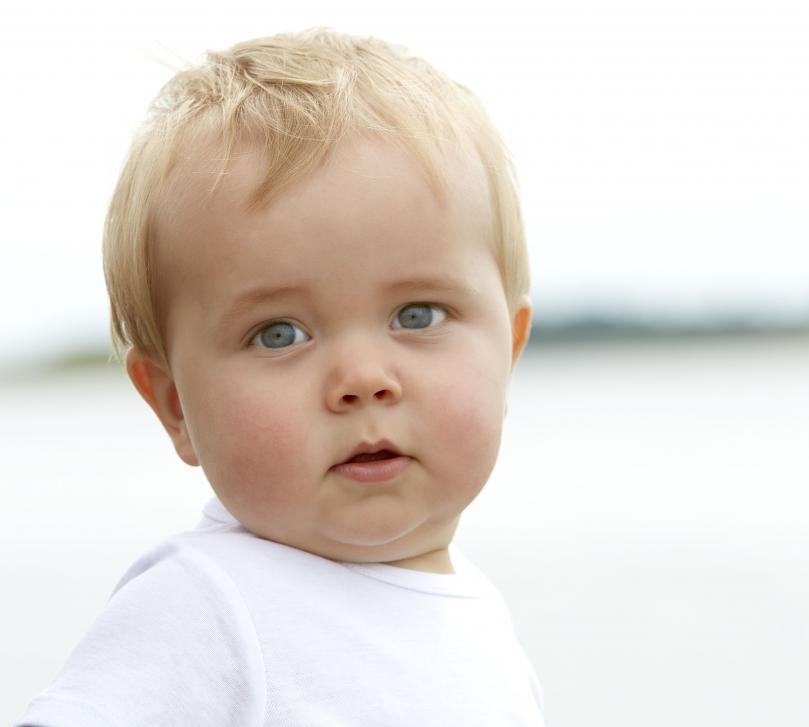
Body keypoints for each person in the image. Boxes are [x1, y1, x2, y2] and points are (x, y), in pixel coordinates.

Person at [16, 27, 541, 726]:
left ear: (508, 350)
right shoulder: (209, 606)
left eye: (417, 315)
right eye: (279, 333)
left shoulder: (481, 624)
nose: (363, 379)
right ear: (175, 407)